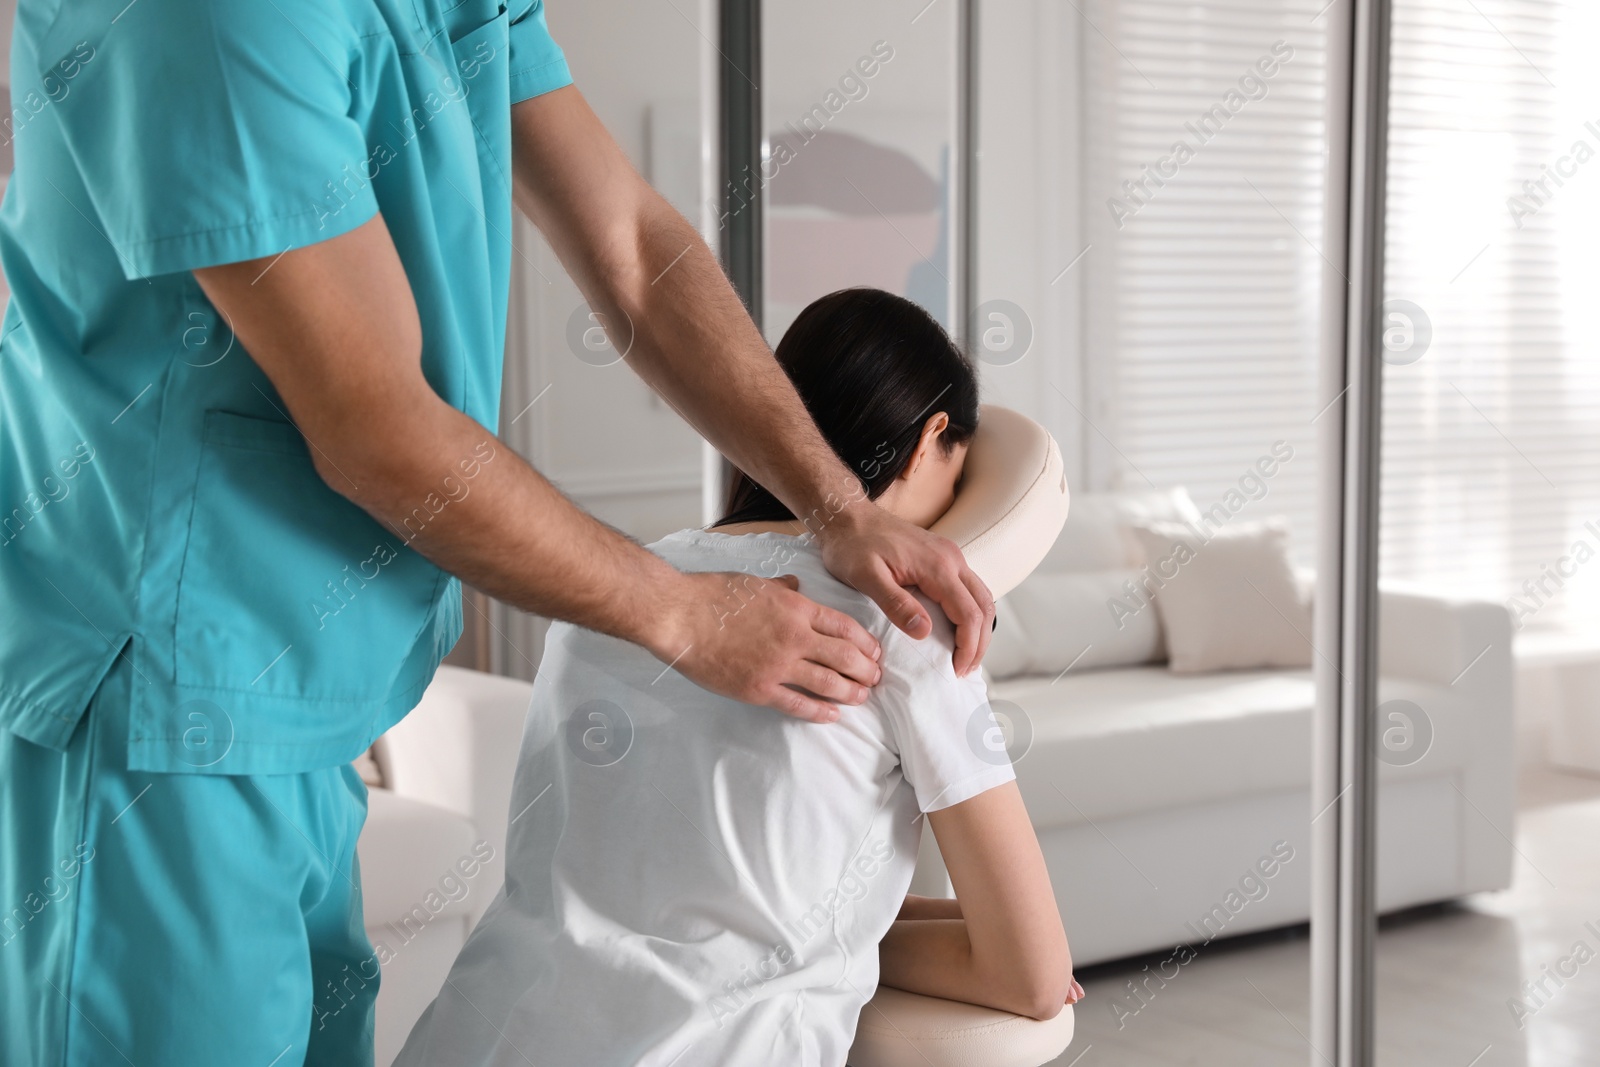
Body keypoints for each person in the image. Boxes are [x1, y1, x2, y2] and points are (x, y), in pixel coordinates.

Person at [0, 3, 994, 1065]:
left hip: (306, 698)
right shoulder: (222, 18)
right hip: (164, 698)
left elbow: (630, 244)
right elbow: (374, 425)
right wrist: (681, 614)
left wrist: (836, 506)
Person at [397, 289, 1081, 1067]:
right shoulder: (906, 621)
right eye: (953, 481)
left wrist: (856, 917)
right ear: (929, 441)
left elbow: (651, 893)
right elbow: (1032, 975)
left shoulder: (615, 594)